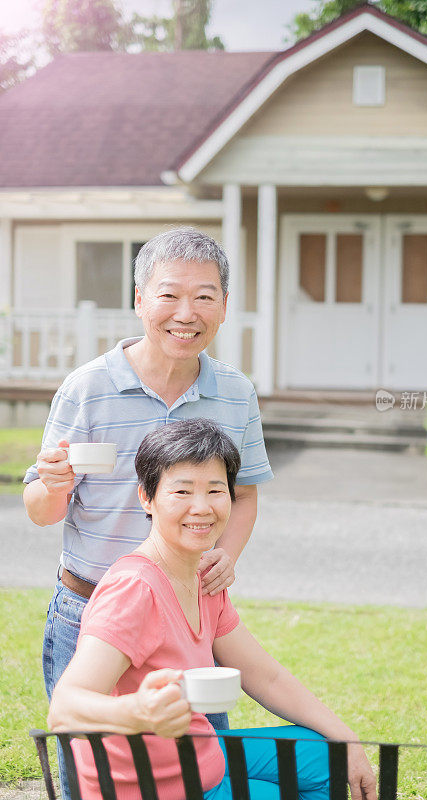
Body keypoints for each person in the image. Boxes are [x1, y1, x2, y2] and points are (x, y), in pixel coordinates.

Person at [23, 228, 273, 793]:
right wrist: (54, 483)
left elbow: (248, 494)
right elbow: (40, 509)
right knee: (91, 780)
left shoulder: (236, 393)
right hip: (88, 613)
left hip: (188, 616)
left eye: (205, 296)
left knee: (199, 774)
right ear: (139, 300)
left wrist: (225, 557)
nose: (187, 313)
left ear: (225, 307)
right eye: (169, 295)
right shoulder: (86, 387)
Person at [48, 419, 377, 800]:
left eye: (215, 490)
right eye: (182, 491)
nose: (201, 508)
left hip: (202, 756)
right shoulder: (134, 589)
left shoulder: (203, 577)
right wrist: (138, 713)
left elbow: (266, 677)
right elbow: (64, 708)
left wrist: (348, 739)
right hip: (157, 786)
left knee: (328, 756)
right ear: (147, 498)